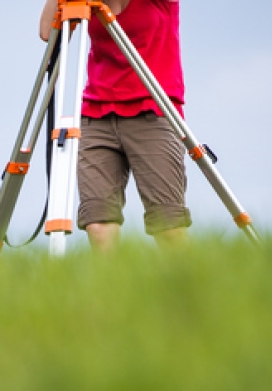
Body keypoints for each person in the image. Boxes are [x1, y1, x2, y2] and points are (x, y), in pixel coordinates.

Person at [39, 0, 191, 252]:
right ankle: (112, 290)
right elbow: (48, 33)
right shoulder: (88, 2)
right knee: (98, 224)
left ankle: (187, 287)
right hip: (97, 113)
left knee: (169, 226)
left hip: (152, 109)